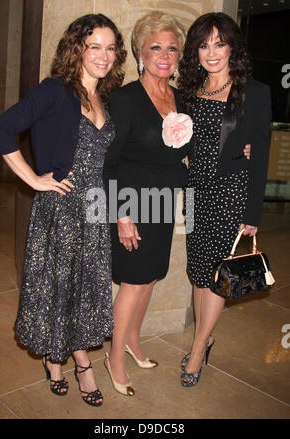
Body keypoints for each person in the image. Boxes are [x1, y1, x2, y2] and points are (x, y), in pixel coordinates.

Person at [103, 11, 250, 396]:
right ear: (140, 51)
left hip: (165, 201)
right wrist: (120, 214)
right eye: (156, 47)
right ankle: (114, 356)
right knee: (133, 283)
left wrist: (243, 146)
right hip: (132, 202)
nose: (165, 55)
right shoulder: (125, 98)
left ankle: (133, 342)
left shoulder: (182, 97)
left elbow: (206, 144)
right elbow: (110, 161)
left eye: (172, 47)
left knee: (150, 277)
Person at [0, 14, 127, 406]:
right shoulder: (55, 90)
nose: (103, 55)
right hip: (62, 208)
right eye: (94, 46)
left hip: (95, 211)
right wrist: (33, 179)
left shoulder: (105, 96)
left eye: (110, 47)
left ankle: (62, 355)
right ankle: (75, 361)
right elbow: (0, 129)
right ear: (77, 48)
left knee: (85, 289)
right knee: (60, 286)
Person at [178, 12, 272, 387]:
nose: (211, 52)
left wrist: (253, 213)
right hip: (196, 193)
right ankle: (207, 334)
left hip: (231, 194)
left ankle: (199, 348)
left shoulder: (254, 91)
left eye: (219, 43)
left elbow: (260, 155)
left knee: (217, 276)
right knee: (199, 272)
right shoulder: (189, 90)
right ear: (195, 51)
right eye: (203, 45)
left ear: (233, 46)